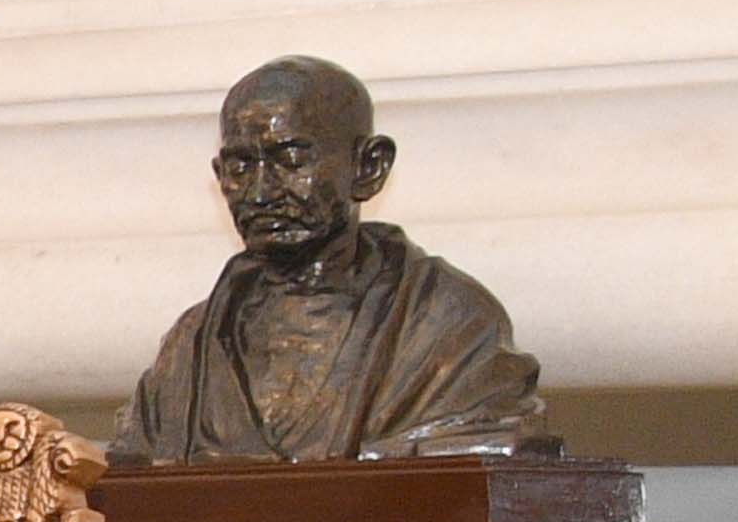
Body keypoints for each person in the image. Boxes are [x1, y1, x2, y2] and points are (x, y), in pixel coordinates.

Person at [117, 54, 550, 463]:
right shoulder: (188, 350)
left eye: (291, 160)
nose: (261, 192)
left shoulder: (451, 327)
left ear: (369, 167)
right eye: (241, 167)